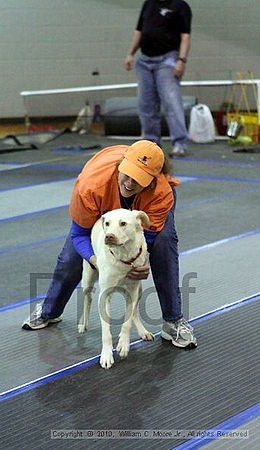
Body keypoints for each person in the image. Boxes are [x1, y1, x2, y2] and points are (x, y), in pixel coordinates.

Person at [22, 139, 197, 349]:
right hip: (100, 206)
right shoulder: (90, 186)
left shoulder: (160, 194)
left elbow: (147, 236)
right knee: (70, 259)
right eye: (128, 174)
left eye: (139, 179)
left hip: (139, 217)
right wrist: (97, 260)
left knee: (165, 244)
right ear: (121, 165)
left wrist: (139, 261)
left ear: (152, 181)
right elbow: (79, 235)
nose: (130, 183)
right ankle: (50, 310)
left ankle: (173, 320)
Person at [124, 0, 192, 157]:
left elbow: (185, 36)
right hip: (145, 61)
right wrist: (130, 54)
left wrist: (181, 60)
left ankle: (180, 144)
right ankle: (150, 143)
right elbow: (139, 31)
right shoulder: (148, 4)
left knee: (171, 102)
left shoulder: (180, 6)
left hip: (167, 60)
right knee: (145, 104)